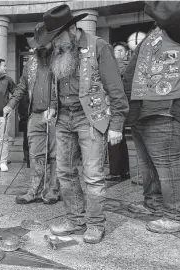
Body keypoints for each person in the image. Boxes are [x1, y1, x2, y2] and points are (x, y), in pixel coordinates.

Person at [43, 4, 129, 243]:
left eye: (56, 36)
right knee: (65, 172)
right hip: (63, 119)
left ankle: (95, 224)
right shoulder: (59, 50)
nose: (54, 42)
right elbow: (55, 82)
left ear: (71, 28)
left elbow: (115, 87)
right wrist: (52, 105)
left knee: (93, 175)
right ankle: (75, 220)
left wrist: (117, 124)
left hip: (90, 119)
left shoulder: (99, 46)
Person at [123, 1, 180, 233]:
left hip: (163, 110)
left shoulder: (174, 28)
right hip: (141, 110)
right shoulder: (154, 33)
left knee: (167, 167)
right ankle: (153, 204)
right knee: (147, 166)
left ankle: (174, 214)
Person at [3, 23, 59, 205]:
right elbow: (22, 86)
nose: (38, 47)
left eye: (42, 43)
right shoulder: (31, 62)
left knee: (55, 155)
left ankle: (52, 190)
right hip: (35, 115)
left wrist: (54, 105)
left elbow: (64, 87)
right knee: (36, 154)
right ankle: (34, 190)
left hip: (55, 115)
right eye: (36, 44)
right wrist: (10, 104)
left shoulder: (59, 59)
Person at [105, 42, 131, 182]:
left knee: (113, 138)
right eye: (115, 51)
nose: (117, 54)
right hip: (122, 105)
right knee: (120, 140)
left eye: (120, 51)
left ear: (126, 53)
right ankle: (124, 170)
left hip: (116, 106)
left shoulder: (121, 66)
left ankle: (115, 171)